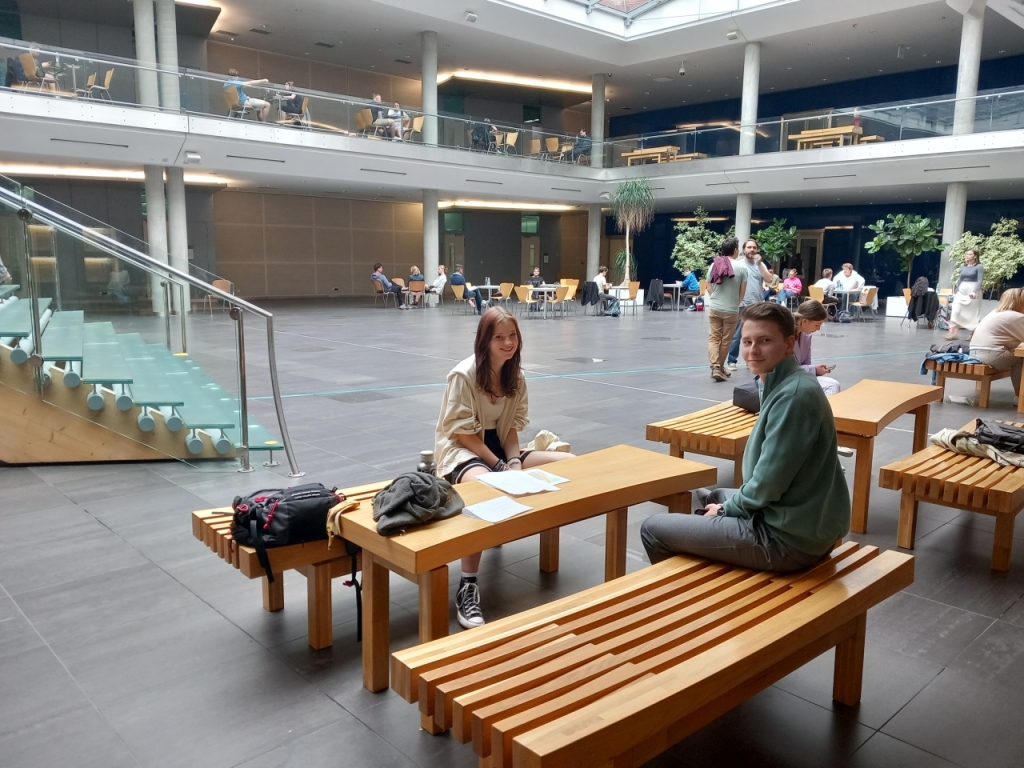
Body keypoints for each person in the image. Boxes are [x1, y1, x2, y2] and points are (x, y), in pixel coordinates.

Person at [641, 302, 851, 571]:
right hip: (806, 520)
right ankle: (712, 520)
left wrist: (726, 510)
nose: (753, 350)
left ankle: (696, 589)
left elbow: (767, 485)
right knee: (718, 494)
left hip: (788, 540)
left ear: (789, 344)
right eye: (747, 341)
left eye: (765, 341)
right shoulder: (781, 381)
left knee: (654, 528)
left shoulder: (794, 396)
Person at [435, 307, 574, 627]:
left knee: (570, 464)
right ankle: (467, 585)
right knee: (485, 491)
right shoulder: (464, 375)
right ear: (485, 340)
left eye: (512, 336)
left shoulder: (516, 376)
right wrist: (499, 466)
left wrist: (512, 462)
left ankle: (543, 529)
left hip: (499, 448)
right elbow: (463, 434)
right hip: (464, 451)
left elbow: (511, 428)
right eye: (499, 337)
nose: (508, 343)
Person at [963, 287, 1024, 395]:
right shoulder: (1016, 317)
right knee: (1020, 359)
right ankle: (1020, 396)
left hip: (974, 352)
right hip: (992, 355)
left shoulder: (995, 313)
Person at [725, 239, 772, 372]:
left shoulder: (760, 265)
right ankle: (732, 361)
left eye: (754, 247)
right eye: (749, 247)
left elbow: (769, 279)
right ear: (744, 250)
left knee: (757, 335)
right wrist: (737, 300)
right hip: (742, 304)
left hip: (758, 305)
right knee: (737, 334)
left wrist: (760, 264)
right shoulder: (738, 264)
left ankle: (752, 359)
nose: (752, 250)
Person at [707, 237, 746, 382]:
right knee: (726, 339)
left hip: (715, 307)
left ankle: (717, 367)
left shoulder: (714, 265)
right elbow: (742, 291)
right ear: (736, 250)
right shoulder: (742, 268)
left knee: (714, 337)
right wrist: (736, 303)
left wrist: (715, 298)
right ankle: (719, 367)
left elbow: (708, 285)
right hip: (731, 310)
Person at [793, 300, 841, 396]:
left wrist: (814, 370)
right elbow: (786, 370)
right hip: (785, 380)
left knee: (833, 384)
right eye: (817, 325)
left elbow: (806, 363)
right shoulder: (785, 337)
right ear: (804, 321)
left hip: (799, 377)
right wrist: (814, 370)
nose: (818, 329)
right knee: (831, 386)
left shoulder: (806, 337)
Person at [945, 248, 985, 341]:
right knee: (955, 309)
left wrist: (975, 291)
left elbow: (979, 280)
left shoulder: (979, 267)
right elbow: (960, 279)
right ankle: (952, 333)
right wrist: (956, 291)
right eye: (966, 254)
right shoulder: (963, 266)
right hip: (962, 290)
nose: (967, 256)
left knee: (972, 313)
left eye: (970, 254)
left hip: (972, 290)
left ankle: (973, 333)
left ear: (975, 256)